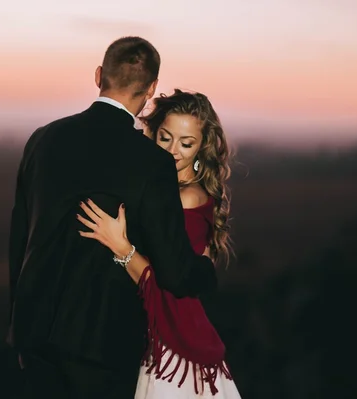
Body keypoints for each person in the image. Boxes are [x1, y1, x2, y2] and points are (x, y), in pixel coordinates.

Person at [7, 38, 217, 398]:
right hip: (103, 350)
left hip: (33, 340)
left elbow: (18, 241)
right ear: (151, 89)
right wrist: (206, 267)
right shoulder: (153, 163)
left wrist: (19, 324)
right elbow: (176, 273)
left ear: (99, 75)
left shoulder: (41, 140)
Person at [77, 89, 242, 398]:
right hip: (155, 341)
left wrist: (121, 247)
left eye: (187, 143)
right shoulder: (165, 188)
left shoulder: (186, 198)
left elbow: (171, 288)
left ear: (202, 147)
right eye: (165, 138)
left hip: (176, 354)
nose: (173, 151)